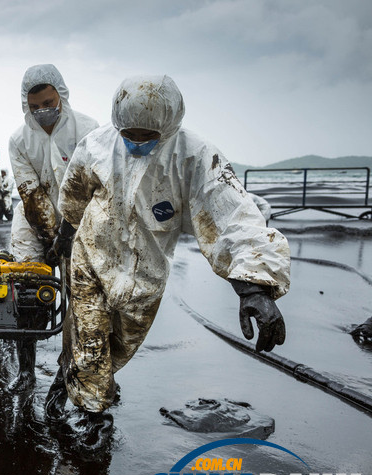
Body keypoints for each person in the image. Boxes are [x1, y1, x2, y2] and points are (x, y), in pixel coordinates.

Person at [52, 75, 291, 450]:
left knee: (118, 347)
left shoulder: (195, 158)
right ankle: (92, 416)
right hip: (91, 261)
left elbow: (231, 217)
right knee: (91, 339)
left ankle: (73, 376)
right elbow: (73, 195)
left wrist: (252, 288)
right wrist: (64, 235)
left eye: (147, 136)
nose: (136, 142)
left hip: (145, 276)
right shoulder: (96, 146)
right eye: (129, 133)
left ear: (169, 126)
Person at [7, 64, 99, 393]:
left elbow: (94, 190)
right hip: (33, 221)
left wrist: (67, 236)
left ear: (61, 95)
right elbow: (31, 193)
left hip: (81, 221)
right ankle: (27, 371)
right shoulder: (19, 140)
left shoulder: (89, 130)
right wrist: (51, 240)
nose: (43, 111)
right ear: (25, 105)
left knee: (84, 298)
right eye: (34, 107)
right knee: (29, 291)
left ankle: (76, 370)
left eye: (48, 103)